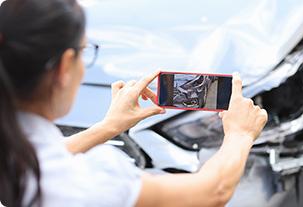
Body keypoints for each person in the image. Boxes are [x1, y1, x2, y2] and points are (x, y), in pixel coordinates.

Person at [0, 0, 268, 206]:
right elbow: (212, 192)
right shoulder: (89, 180)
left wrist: (107, 127)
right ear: (64, 68)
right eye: (84, 52)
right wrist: (240, 134)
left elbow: (37, 159)